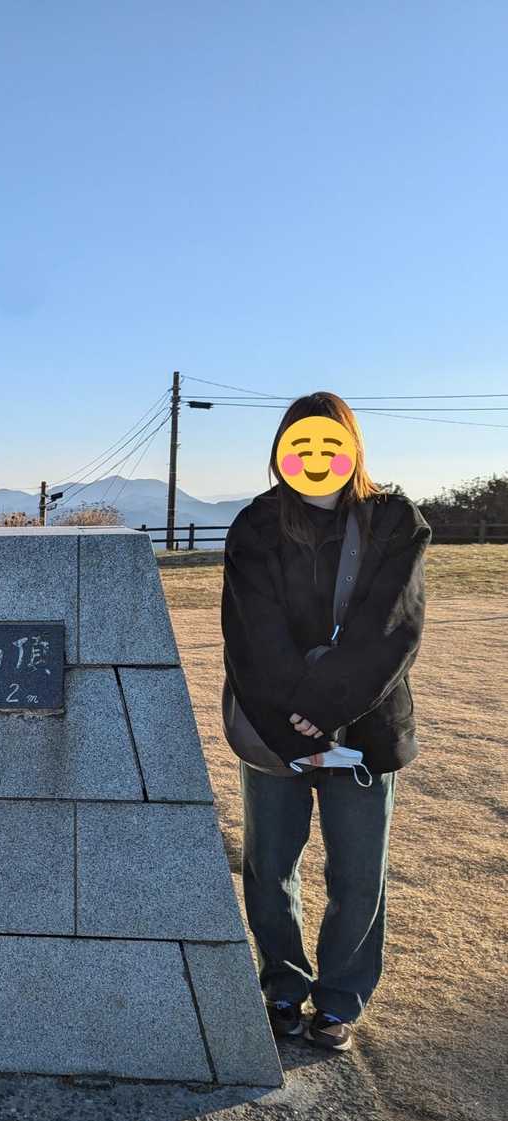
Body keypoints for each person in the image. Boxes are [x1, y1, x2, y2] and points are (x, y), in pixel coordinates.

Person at [222, 391, 430, 1053]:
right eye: (301, 443)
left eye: (328, 442)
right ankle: (282, 985)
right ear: (281, 449)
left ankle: (339, 998)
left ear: (352, 447)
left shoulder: (395, 521)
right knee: (269, 864)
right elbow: (251, 634)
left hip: (365, 727)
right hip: (272, 726)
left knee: (358, 873)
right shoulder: (256, 525)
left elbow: (393, 628)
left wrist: (321, 710)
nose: (314, 457)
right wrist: (297, 722)